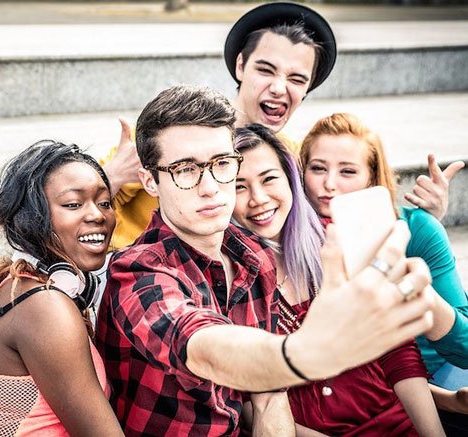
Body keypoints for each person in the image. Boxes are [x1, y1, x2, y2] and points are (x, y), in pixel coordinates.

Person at [96, 84, 435, 436]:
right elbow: (202, 346)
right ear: (150, 181)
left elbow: (269, 398)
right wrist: (303, 353)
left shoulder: (253, 255)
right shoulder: (137, 272)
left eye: (222, 164)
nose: (210, 186)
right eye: (185, 169)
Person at [101, 2, 457, 250]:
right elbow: (79, 214)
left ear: (306, 90)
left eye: (296, 78)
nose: (278, 87)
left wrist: (427, 220)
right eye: (266, 70)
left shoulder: (291, 154)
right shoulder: (171, 137)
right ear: (241, 66)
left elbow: (348, 214)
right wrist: (113, 176)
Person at [232, 123, 443, 436]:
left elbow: (396, 350)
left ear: (291, 179)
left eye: (269, 179)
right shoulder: (225, 279)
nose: (258, 198)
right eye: (239, 186)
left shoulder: (338, 239)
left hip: (394, 420)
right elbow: (246, 404)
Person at [300, 112, 468, 432]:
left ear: (372, 177)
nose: (329, 184)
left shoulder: (417, 229)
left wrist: (425, 300)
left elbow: (465, 348)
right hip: (362, 394)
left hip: (427, 376)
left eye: (348, 171)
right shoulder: (297, 239)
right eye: (318, 168)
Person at [0, 141, 123, 436]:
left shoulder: (23, 282)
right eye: (73, 204)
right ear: (33, 218)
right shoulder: (46, 308)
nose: (98, 215)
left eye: (104, 202)